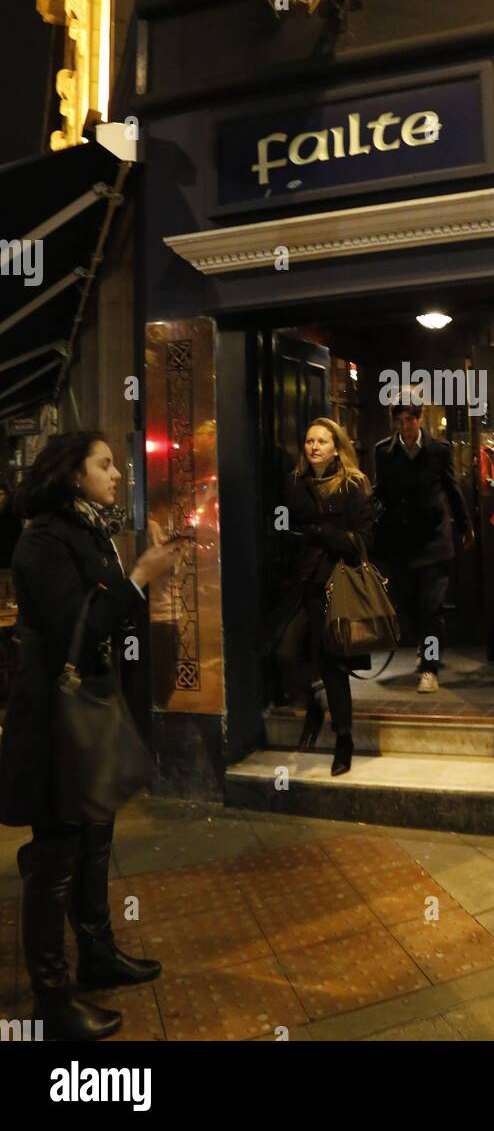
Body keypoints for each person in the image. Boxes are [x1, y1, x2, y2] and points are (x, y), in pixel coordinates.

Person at [0, 432, 180, 1041]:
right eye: (104, 464)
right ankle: (52, 1000)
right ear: (72, 474)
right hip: (54, 718)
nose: (115, 472)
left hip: (89, 709)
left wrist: (138, 567)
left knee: (96, 834)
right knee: (56, 856)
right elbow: (78, 626)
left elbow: (103, 602)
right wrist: (139, 578)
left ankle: (98, 951)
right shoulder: (42, 541)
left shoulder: (90, 527)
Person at [266, 418, 374, 777]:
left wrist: (316, 531)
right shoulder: (294, 483)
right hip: (300, 584)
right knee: (283, 649)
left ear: (336, 446)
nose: (313, 447)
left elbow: (359, 541)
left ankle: (344, 740)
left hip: (335, 585)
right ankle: (312, 702)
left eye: (321, 441)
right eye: (309, 440)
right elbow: (281, 529)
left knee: (333, 665)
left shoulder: (353, 485)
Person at [374, 398, 473, 693]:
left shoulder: (438, 451)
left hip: (433, 540)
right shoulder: (384, 451)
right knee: (409, 605)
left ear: (420, 419)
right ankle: (424, 647)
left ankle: (429, 667)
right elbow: (380, 490)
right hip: (400, 541)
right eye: (399, 421)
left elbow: (452, 489)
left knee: (431, 607)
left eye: (409, 420)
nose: (404, 427)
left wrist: (465, 524)